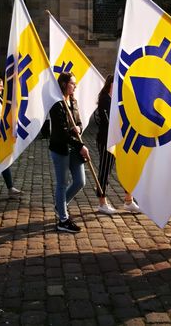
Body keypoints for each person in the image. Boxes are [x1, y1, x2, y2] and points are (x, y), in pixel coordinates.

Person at [95, 74, 140, 215]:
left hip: (120, 140)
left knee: (127, 168)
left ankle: (128, 200)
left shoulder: (118, 100)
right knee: (105, 170)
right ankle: (102, 202)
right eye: (117, 84)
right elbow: (109, 122)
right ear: (110, 85)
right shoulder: (105, 100)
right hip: (107, 140)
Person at [49, 72, 88, 233]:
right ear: (64, 84)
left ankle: (60, 205)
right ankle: (63, 220)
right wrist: (80, 146)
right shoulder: (56, 104)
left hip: (74, 149)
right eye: (72, 83)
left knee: (80, 181)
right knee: (62, 184)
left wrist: (78, 127)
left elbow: (78, 121)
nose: (75, 85)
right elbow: (61, 133)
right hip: (61, 149)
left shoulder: (73, 100)